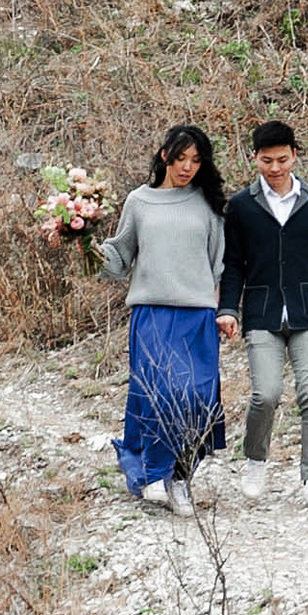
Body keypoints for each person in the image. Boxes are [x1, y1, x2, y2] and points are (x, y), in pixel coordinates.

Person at [219, 119, 308, 509]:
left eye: (281, 159)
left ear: (295, 155)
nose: (275, 168)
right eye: (266, 161)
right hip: (261, 313)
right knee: (266, 394)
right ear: (254, 159)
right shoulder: (242, 206)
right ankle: (256, 460)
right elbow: (233, 264)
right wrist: (228, 308)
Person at [100, 123, 227, 511]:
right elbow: (118, 260)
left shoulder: (208, 203)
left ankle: (180, 476)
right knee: (159, 395)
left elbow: (219, 265)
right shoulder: (139, 201)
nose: (187, 167)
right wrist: (82, 240)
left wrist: (223, 311)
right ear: (164, 155)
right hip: (152, 313)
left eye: (195, 160)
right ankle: (154, 474)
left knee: (198, 397)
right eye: (180, 158)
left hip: (198, 316)